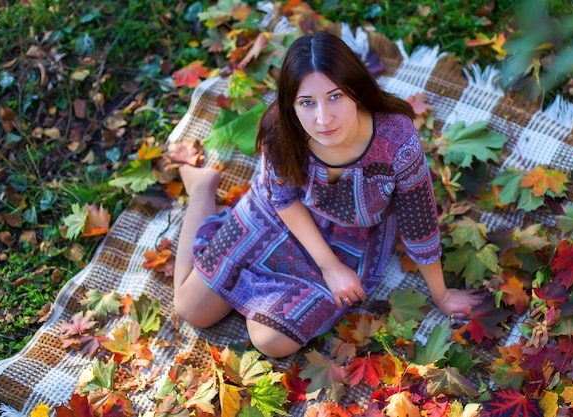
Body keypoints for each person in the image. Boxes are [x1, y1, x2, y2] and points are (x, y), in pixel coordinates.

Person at [172, 31, 484, 358]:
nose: (323, 119)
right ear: (291, 105)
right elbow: (281, 198)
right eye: (307, 103)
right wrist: (328, 267)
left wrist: (441, 295)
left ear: (356, 91)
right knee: (190, 307)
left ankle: (249, 288)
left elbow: (418, 221)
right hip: (279, 214)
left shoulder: (396, 138)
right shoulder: (281, 130)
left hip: (352, 236)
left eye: (335, 96)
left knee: (270, 341)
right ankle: (201, 190)